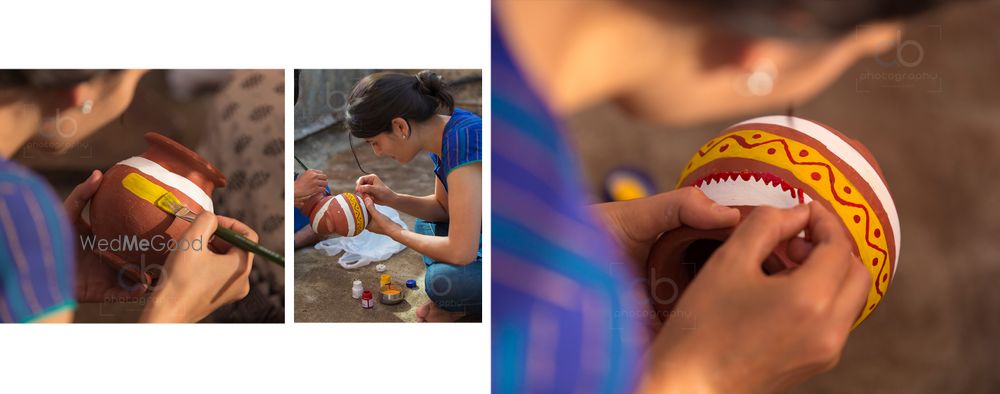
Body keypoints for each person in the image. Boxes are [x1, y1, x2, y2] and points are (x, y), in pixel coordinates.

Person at [492, 0, 942, 392]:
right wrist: (698, 382)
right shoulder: (550, 327)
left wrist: (580, 233)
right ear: (770, 43)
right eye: (859, 50)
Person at [0, 70, 257, 323]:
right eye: (135, 80)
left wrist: (45, 275)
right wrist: (173, 310)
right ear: (81, 92)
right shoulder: (21, 206)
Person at [348, 71, 482, 322]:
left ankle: (463, 306)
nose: (377, 153)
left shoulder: (463, 142)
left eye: (374, 142)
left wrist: (392, 230)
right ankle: (460, 294)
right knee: (424, 226)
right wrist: (391, 198)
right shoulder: (447, 133)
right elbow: (444, 209)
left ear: (400, 126)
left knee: (441, 282)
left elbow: (462, 251)